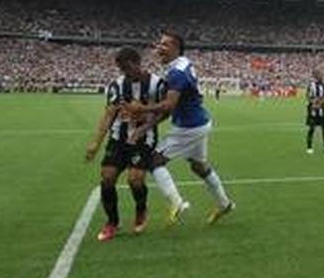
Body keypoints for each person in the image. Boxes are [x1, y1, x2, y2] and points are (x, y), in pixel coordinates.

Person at [125, 31, 235, 225]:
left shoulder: (177, 72)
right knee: (199, 166)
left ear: (176, 47)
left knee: (154, 161)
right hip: (199, 123)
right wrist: (146, 125)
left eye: (165, 44)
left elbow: (168, 106)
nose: (160, 47)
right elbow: (169, 107)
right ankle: (224, 204)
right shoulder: (180, 65)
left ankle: (177, 203)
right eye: (159, 44)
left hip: (189, 127)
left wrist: (142, 109)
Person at [83, 47, 162, 242]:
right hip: (118, 138)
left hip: (143, 138)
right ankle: (112, 222)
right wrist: (95, 143)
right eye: (121, 69)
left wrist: (145, 119)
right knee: (107, 177)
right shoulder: (116, 86)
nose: (123, 72)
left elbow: (164, 110)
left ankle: (141, 210)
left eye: (126, 68)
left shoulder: (157, 84)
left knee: (135, 179)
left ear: (136, 63)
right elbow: (109, 114)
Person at [306, 68, 324, 154]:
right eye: (317, 74)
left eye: (320, 74)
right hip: (312, 109)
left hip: (321, 109)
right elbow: (308, 96)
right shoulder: (311, 85)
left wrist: (321, 104)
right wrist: (313, 103)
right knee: (312, 128)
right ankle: (309, 147)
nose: (319, 76)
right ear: (314, 76)